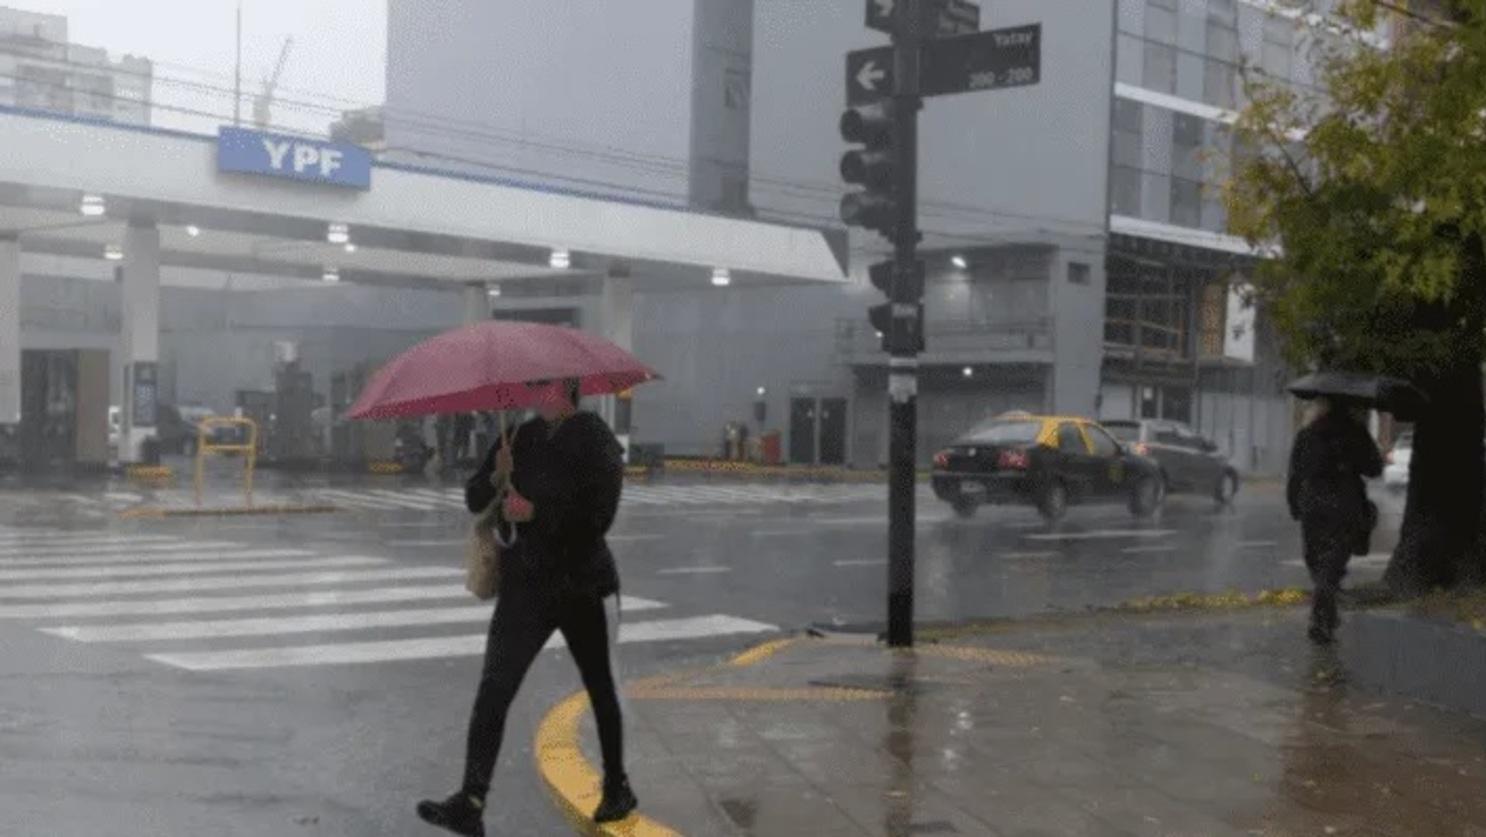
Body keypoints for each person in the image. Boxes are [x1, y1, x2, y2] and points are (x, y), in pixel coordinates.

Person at [417, 378, 635, 836]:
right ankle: (471, 800)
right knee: (494, 688)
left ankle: (617, 785)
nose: (536, 391)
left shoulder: (596, 439)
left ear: (567, 388)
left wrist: (537, 513)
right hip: (527, 589)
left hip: (583, 587)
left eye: (545, 383)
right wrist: (496, 475)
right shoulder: (519, 435)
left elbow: (601, 516)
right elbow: (476, 498)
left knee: (600, 687)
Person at [1287, 396, 1383, 644]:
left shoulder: (1307, 434)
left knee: (1317, 561)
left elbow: (1295, 474)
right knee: (1332, 565)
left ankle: (1324, 618)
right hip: (1344, 505)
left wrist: (1295, 504)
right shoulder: (1355, 433)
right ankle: (1323, 617)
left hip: (1313, 506)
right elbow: (1374, 468)